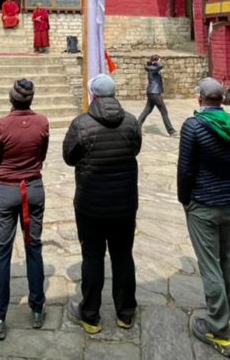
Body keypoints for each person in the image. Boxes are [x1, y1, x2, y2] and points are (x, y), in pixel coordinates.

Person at [63, 73, 141, 334]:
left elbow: (69, 157)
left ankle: (91, 316)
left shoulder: (81, 124)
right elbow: (135, 149)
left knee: (93, 257)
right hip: (124, 203)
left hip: (91, 205)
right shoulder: (131, 122)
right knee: (123, 256)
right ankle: (125, 313)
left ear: (93, 94)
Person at [179, 77, 230, 358]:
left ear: (200, 99)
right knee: (226, 260)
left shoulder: (193, 126)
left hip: (203, 202)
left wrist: (185, 198)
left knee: (209, 266)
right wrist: (229, 188)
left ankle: (218, 330)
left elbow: (186, 169)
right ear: (222, 99)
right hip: (228, 201)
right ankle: (227, 314)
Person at [0, 79, 49, 340]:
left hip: (6, 189)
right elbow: (42, 154)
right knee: (33, 247)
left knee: (3, 252)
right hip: (33, 187)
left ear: (11, 99)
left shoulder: (2, 125)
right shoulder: (43, 122)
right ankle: (37, 309)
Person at [137, 54, 176, 136]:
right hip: (155, 93)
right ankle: (171, 131)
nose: (160, 61)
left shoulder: (152, 68)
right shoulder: (152, 68)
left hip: (152, 93)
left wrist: (155, 62)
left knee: (147, 110)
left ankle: (136, 127)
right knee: (164, 111)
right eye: (159, 60)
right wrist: (156, 62)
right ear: (155, 61)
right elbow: (161, 66)